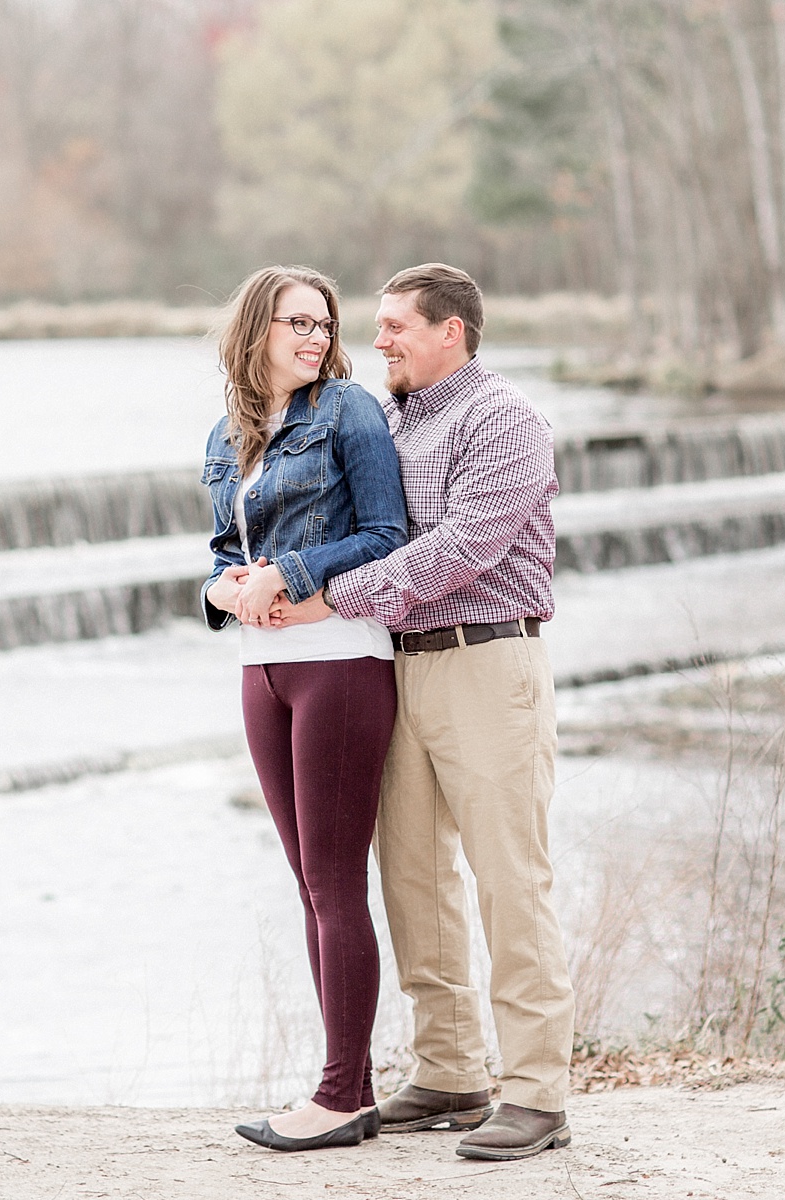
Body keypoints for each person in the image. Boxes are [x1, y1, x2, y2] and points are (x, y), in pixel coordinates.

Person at [268, 263, 575, 1163]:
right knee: (411, 876)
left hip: (489, 662)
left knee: (509, 879)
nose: (380, 340)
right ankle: (448, 1070)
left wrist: (325, 596)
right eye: (380, 324)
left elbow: (459, 551)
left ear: (454, 332)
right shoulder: (387, 420)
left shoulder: (507, 420)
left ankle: (537, 1096)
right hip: (399, 665)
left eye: (398, 325)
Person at [200, 265, 409, 1152]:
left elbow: (388, 534)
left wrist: (291, 572)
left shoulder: (348, 413)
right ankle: (344, 1089)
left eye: (324, 325)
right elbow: (218, 551)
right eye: (297, 323)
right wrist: (225, 587)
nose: (316, 339)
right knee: (306, 886)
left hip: (339, 662)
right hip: (264, 671)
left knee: (333, 885)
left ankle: (341, 1093)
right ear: (256, 332)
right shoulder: (228, 433)